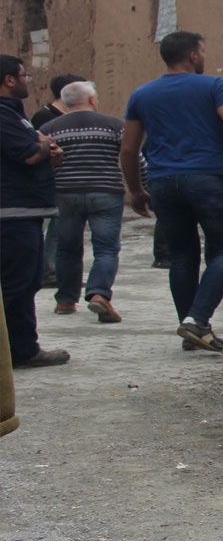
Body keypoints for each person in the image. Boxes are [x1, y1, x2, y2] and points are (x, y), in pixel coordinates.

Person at [119, 32, 223, 353]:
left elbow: (128, 149)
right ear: (194, 56)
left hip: (163, 181)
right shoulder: (214, 86)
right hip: (209, 177)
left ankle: (193, 326)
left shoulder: (141, 94)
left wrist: (136, 190)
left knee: (182, 255)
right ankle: (197, 319)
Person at [0, 55, 70, 368]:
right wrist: (45, 146)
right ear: (9, 80)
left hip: (22, 211)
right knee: (19, 283)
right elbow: (28, 154)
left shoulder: (15, 115)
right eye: (24, 75)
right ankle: (22, 349)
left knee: (25, 280)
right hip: (12, 213)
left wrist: (44, 146)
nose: (29, 79)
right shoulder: (3, 115)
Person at [41, 81, 126, 322]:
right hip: (106, 192)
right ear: (92, 100)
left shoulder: (50, 127)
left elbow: (44, 160)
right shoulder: (114, 125)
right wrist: (143, 188)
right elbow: (133, 156)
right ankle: (99, 293)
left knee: (67, 247)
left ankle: (66, 300)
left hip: (65, 193)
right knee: (107, 248)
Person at [33, 74, 86, 289]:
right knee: (56, 229)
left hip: (70, 181)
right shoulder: (44, 118)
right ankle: (50, 270)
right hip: (55, 180)